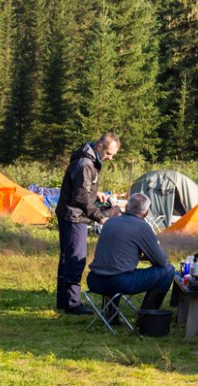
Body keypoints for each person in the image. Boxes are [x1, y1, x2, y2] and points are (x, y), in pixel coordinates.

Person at [55, 132, 120, 315]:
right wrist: (100, 217)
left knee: (67, 258)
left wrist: (96, 194)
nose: (110, 158)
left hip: (71, 213)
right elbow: (81, 197)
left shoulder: (89, 159)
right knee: (76, 259)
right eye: (109, 153)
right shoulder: (85, 163)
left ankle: (63, 301)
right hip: (73, 216)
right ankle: (73, 304)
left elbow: (84, 189)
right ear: (100, 146)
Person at [86, 193, 175, 311]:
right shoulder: (142, 227)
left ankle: (111, 316)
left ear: (126, 207)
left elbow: (116, 254)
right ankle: (147, 317)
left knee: (115, 269)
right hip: (119, 282)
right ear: (146, 212)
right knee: (168, 270)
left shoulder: (110, 222)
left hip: (94, 280)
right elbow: (162, 261)